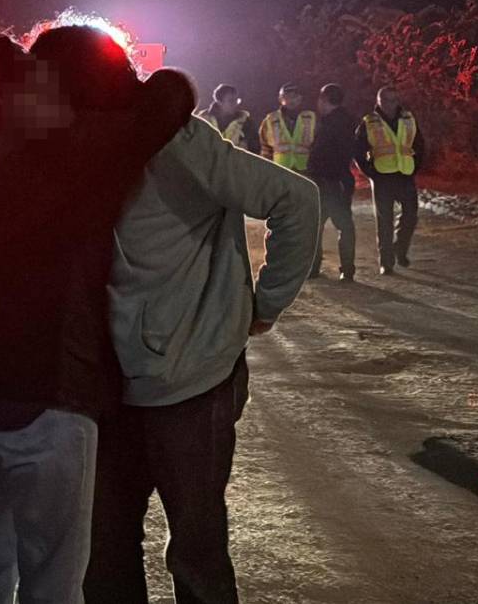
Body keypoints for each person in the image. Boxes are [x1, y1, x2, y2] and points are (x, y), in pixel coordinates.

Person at [0, 27, 194, 604]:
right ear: (2, 96)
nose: (53, 86)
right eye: (36, 76)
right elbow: (168, 99)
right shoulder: (53, 157)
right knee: (54, 580)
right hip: (42, 397)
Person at [84, 83, 320, 603]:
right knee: (106, 546)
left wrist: (266, 304)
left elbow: (296, 200)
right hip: (102, 382)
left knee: (194, 546)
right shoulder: (70, 146)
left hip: (188, 380)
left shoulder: (177, 145)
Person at [354, 85, 426, 274]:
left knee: (411, 216)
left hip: (405, 174)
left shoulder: (408, 118)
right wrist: (370, 172)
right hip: (382, 176)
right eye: (385, 100)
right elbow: (358, 150)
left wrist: (415, 166)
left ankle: (400, 248)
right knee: (384, 221)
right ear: (378, 101)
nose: (390, 104)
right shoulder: (369, 122)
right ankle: (386, 263)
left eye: (393, 100)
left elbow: (419, 144)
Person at [305, 83, 358, 281]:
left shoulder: (332, 124)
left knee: (318, 225)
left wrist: (313, 170)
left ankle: (315, 268)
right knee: (342, 225)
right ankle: (346, 269)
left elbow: (324, 153)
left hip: (329, 181)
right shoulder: (344, 121)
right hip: (338, 180)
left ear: (324, 100)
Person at [258, 82, 317, 172]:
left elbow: (317, 146)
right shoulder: (270, 119)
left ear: (300, 98)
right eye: (287, 96)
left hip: (305, 171)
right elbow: (264, 148)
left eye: (294, 96)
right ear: (280, 99)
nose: (291, 100)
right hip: (279, 171)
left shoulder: (310, 118)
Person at [197, 83, 259, 152]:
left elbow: (255, 149)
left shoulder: (246, 122)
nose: (235, 104)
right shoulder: (203, 120)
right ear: (219, 102)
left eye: (236, 100)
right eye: (231, 101)